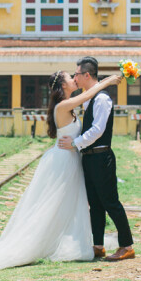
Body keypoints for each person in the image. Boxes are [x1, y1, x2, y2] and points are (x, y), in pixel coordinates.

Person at [0, 70, 122, 274]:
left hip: (71, 158)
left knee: (70, 203)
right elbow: (89, 95)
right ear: (63, 86)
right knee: (52, 204)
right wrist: (108, 81)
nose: (74, 79)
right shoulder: (63, 105)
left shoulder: (68, 104)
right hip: (63, 160)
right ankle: (36, 242)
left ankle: (71, 238)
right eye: (69, 78)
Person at [58, 56, 135, 261]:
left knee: (110, 202)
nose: (75, 77)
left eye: (77, 74)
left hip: (102, 157)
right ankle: (98, 245)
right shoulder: (88, 97)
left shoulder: (102, 98)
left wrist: (74, 143)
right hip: (89, 158)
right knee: (95, 204)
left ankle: (126, 246)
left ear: (86, 75)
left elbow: (98, 130)